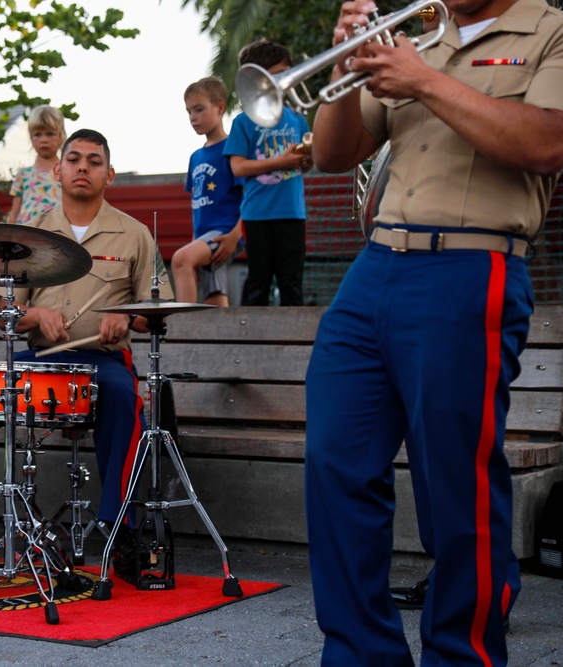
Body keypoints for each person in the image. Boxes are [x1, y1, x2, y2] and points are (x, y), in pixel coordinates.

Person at [304, 0, 563, 664]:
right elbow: (334, 154)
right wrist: (346, 60)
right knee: (338, 465)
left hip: (473, 263)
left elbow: (545, 142)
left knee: (457, 484)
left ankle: (462, 654)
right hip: (376, 265)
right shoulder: (424, 39)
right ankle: (362, 652)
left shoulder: (550, 31)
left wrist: (423, 79)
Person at [0, 128, 172, 557]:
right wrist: (37, 315)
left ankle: (116, 528)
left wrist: (124, 317)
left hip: (103, 362)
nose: (83, 167)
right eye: (74, 159)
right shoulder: (27, 234)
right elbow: (4, 315)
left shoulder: (135, 234)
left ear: (110, 175)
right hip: (39, 360)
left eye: (94, 160)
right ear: (57, 170)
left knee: (126, 400)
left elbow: (155, 313)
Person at [224, 41, 311, 307]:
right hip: (258, 214)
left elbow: (305, 165)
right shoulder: (243, 121)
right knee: (258, 281)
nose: (287, 79)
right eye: (280, 73)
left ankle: (293, 344)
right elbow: (238, 167)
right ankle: (250, 342)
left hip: (292, 212)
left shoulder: (297, 119)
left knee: (291, 282)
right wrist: (280, 161)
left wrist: (304, 160)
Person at [172, 76, 244, 306]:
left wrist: (236, 235)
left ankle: (182, 332)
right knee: (214, 295)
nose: (193, 117)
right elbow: (198, 204)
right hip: (203, 237)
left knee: (180, 260)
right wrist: (195, 241)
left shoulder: (233, 148)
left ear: (220, 107)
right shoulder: (195, 157)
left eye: (199, 109)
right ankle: (220, 341)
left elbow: (248, 197)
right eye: (189, 112)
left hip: (226, 233)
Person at [6, 105, 65, 224]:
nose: (44, 139)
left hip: (58, 233)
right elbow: (14, 214)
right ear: (31, 138)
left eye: (50, 134)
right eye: (38, 134)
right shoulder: (23, 175)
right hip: (27, 236)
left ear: (61, 136)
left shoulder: (66, 172)